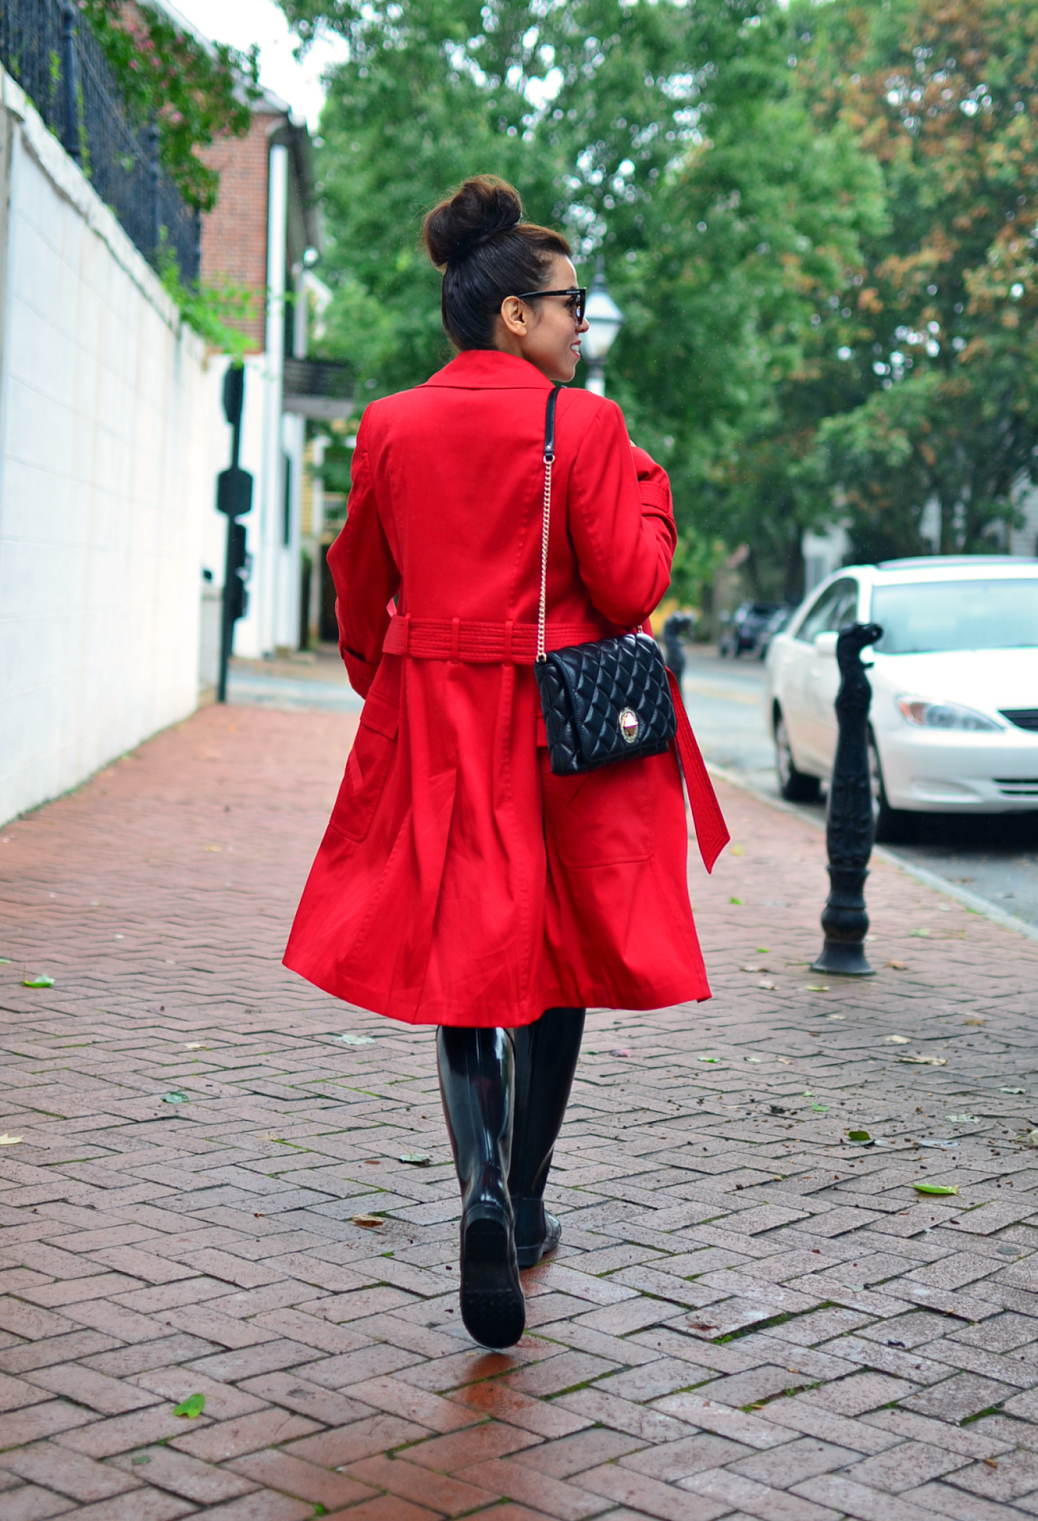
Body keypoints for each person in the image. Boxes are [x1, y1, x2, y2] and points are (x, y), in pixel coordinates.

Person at [284, 176, 727, 1350]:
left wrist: (399, 684)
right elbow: (631, 585)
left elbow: (359, 586)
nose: (583, 319)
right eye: (569, 300)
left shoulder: (388, 423)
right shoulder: (583, 427)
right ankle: (524, 1199)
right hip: (564, 731)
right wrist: (652, 490)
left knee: (463, 958)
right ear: (513, 317)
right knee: (560, 952)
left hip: (442, 718)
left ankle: (478, 1183)